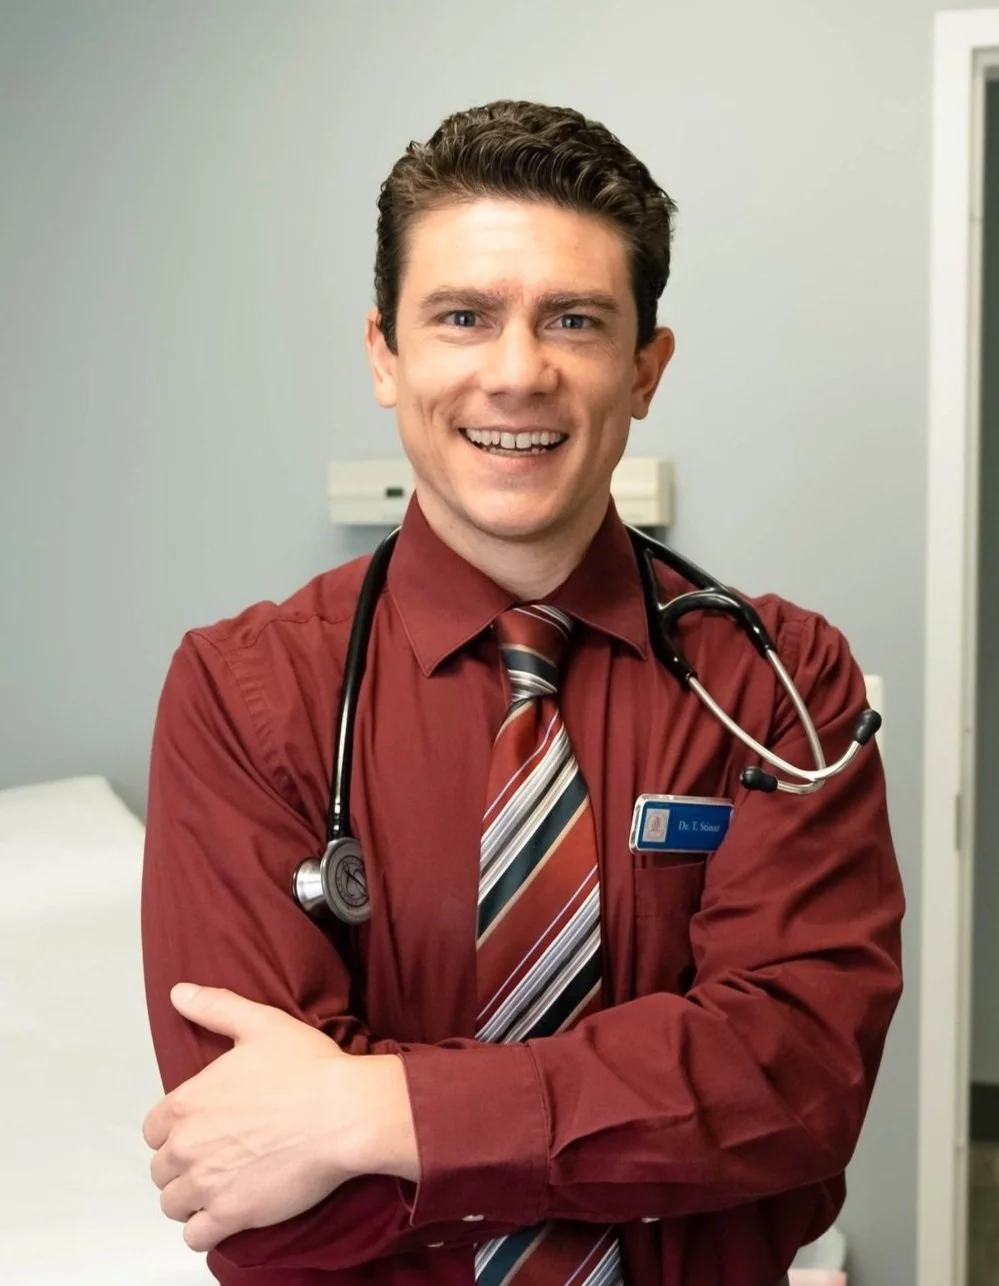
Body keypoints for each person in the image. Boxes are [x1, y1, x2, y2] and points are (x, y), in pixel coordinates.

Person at [140, 99, 904, 1286]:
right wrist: (657, 1135)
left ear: (645, 369)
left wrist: (373, 1111)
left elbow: (797, 1092)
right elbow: (258, 1196)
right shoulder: (246, 695)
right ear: (384, 355)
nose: (517, 372)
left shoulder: (782, 682)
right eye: (462, 316)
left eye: (575, 320)